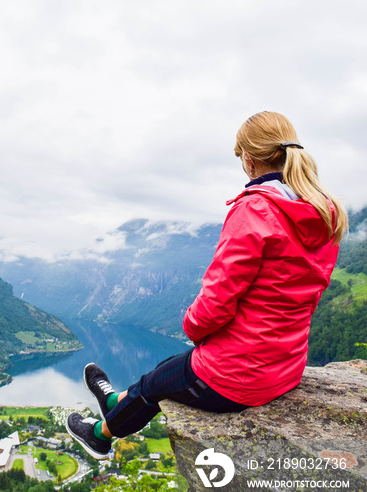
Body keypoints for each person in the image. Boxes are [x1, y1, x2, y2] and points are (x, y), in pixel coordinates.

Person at [66, 111, 348, 459]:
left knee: (156, 385)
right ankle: (112, 400)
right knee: (168, 367)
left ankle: (100, 435)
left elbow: (216, 300)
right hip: (285, 366)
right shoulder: (324, 213)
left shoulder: (256, 210)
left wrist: (193, 328)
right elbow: (306, 294)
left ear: (249, 159)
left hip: (240, 377)